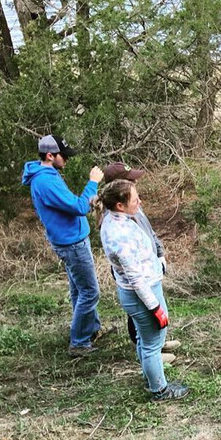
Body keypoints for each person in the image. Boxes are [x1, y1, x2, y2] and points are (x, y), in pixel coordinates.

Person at [98, 179, 189, 401]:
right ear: (120, 205)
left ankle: (150, 377)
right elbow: (136, 278)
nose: (139, 200)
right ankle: (159, 389)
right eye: (134, 197)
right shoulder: (121, 236)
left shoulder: (116, 219)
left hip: (139, 291)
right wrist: (155, 307)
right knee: (152, 343)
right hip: (142, 293)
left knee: (143, 338)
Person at [22, 135, 111, 357]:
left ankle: (91, 329)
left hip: (71, 239)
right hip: (72, 243)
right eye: (64, 156)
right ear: (50, 155)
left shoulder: (48, 175)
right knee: (90, 292)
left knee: (79, 290)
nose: (67, 160)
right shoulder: (46, 181)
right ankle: (79, 343)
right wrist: (93, 183)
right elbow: (80, 207)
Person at [100, 162, 179, 364]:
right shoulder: (118, 220)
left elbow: (149, 231)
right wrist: (154, 307)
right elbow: (133, 275)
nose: (135, 181)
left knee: (150, 318)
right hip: (137, 275)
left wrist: (159, 253)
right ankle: (151, 354)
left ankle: (156, 345)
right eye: (130, 179)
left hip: (146, 269)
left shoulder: (131, 205)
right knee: (141, 315)